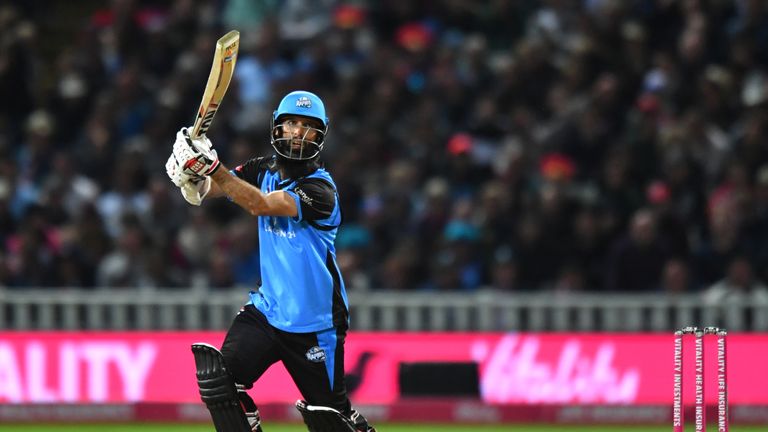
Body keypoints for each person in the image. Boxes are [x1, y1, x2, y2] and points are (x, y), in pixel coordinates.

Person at [165, 90, 376, 432]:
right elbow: (213, 189)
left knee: (332, 420)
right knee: (220, 382)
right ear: (277, 127)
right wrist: (189, 172)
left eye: (307, 127)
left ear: (320, 135)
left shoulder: (321, 190)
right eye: (291, 123)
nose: (297, 132)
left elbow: (261, 204)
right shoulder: (262, 169)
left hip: (315, 322)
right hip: (267, 310)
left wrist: (213, 168)